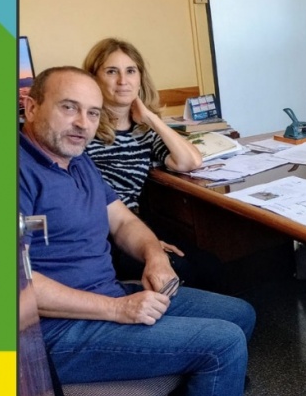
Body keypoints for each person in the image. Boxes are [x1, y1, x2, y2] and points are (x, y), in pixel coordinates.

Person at [19, 66, 256, 396]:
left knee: (240, 314)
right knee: (223, 344)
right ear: (31, 107)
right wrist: (118, 310)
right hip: (52, 333)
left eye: (93, 113)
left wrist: (155, 257)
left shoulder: (77, 160)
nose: (83, 124)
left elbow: (124, 221)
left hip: (107, 296)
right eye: (69, 107)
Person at [82, 37, 224, 292]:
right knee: (181, 270)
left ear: (140, 78)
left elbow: (190, 161)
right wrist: (147, 246)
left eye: (130, 71)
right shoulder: (85, 128)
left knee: (211, 266)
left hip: (135, 223)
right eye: (111, 71)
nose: (123, 81)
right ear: (94, 78)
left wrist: (149, 117)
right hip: (101, 232)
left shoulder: (143, 132)